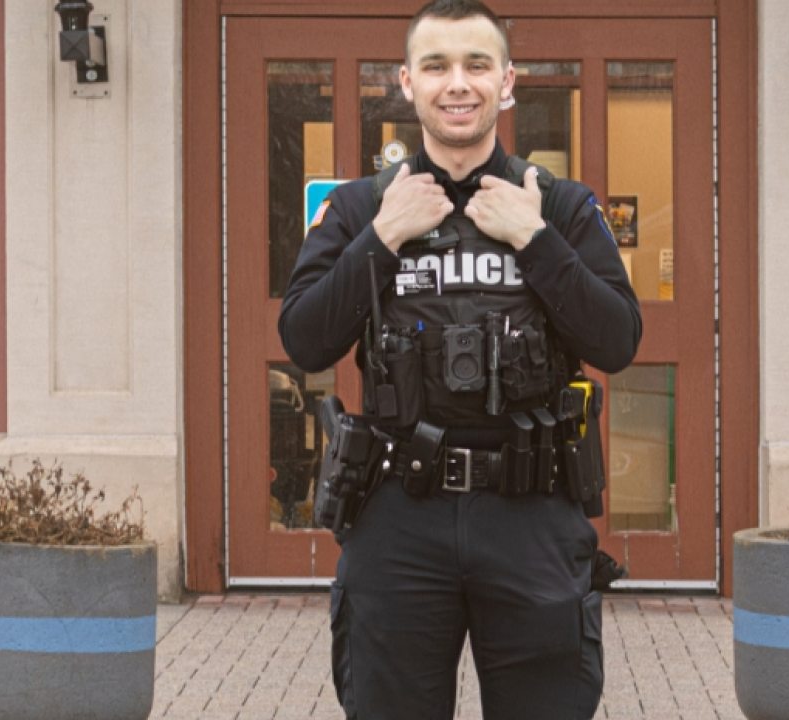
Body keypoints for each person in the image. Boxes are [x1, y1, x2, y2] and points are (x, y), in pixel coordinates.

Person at [279, 1, 641, 717]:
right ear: (406, 82)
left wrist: (535, 242)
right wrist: (380, 241)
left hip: (530, 510)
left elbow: (617, 342)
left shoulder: (560, 207)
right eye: (437, 65)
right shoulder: (361, 209)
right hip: (396, 516)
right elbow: (305, 340)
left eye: (477, 64)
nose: (458, 83)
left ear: (508, 82)